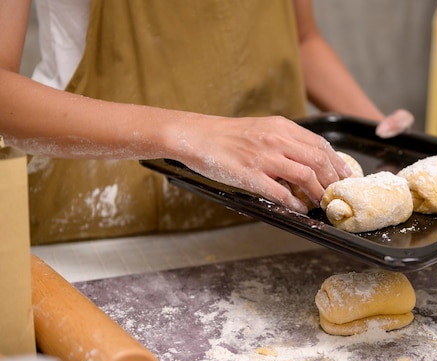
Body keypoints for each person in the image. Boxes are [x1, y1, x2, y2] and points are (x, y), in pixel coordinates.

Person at [0, 0, 414, 245]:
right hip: (105, 225)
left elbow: (301, 38)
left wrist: (381, 142)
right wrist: (190, 135)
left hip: (273, 223)